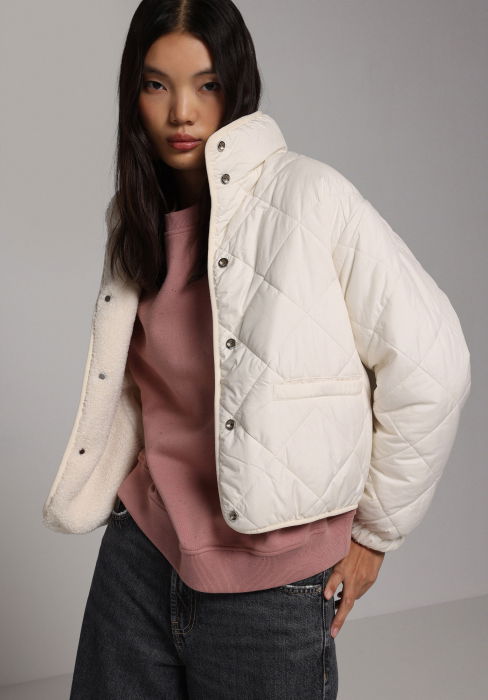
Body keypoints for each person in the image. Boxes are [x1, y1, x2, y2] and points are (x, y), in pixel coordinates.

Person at [41, 1, 471, 698]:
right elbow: (138, 389)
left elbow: (434, 365)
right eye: (156, 85)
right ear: (132, 94)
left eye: (206, 84)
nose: (182, 112)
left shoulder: (311, 196)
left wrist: (374, 536)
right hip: (140, 558)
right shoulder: (136, 217)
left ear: (236, 85)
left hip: (273, 589)